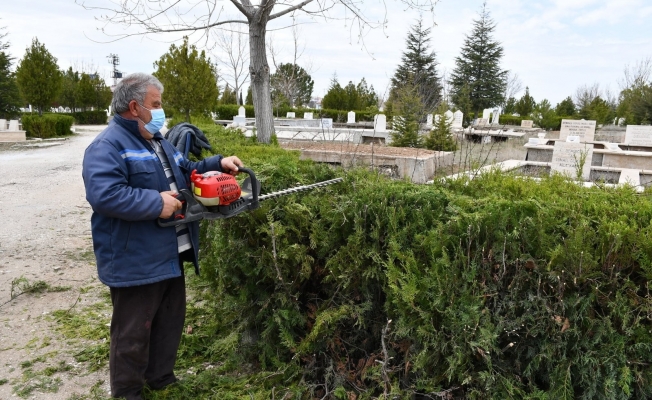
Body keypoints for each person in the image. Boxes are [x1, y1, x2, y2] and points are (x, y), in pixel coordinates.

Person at [82, 73, 242, 400]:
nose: (161, 111)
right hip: (136, 258)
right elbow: (105, 195)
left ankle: (160, 377)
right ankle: (127, 392)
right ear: (134, 106)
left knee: (169, 321)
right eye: (156, 105)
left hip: (171, 251)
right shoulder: (107, 146)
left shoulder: (158, 141)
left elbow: (186, 168)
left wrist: (217, 163)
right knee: (132, 332)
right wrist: (156, 203)